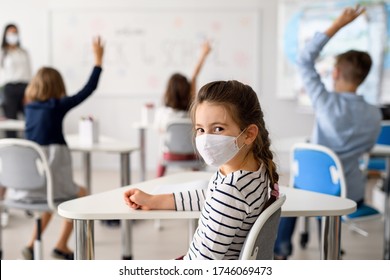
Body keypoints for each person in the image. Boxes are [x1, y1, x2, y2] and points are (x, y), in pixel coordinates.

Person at [124, 80, 280, 260]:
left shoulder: (231, 191)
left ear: (249, 134)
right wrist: (154, 200)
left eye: (218, 128)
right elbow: (211, 198)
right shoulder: (253, 170)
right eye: (200, 129)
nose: (206, 139)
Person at [274, 5, 382, 260]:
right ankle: (329, 246)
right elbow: (366, 151)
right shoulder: (374, 114)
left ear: (335, 73)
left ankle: (281, 250)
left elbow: (303, 59)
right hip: (350, 193)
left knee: (290, 192)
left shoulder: (324, 101)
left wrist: (337, 25)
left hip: (314, 190)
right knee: (320, 192)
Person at [13, 36, 104, 260]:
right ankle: (62, 244)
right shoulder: (57, 105)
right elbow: (88, 89)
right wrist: (98, 60)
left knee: (49, 199)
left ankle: (31, 244)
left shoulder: (30, 109)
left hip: (30, 182)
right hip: (52, 171)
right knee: (80, 195)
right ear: (58, 87)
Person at [154, 40, 212, 177]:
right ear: (188, 91)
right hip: (193, 156)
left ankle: (157, 178)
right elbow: (195, 76)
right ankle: (199, 178)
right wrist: (204, 54)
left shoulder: (163, 113)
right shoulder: (193, 110)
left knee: (161, 150)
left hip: (170, 156)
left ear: (168, 91)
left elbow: (160, 130)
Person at [0, 23, 32, 138]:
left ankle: (28, 143)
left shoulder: (24, 52)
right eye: (10, 33)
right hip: (9, 88)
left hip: (25, 87)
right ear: (5, 35)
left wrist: (29, 92)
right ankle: (12, 146)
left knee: (29, 117)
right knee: (10, 120)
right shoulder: (2, 53)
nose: (13, 35)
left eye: (15, 33)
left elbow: (29, 72)